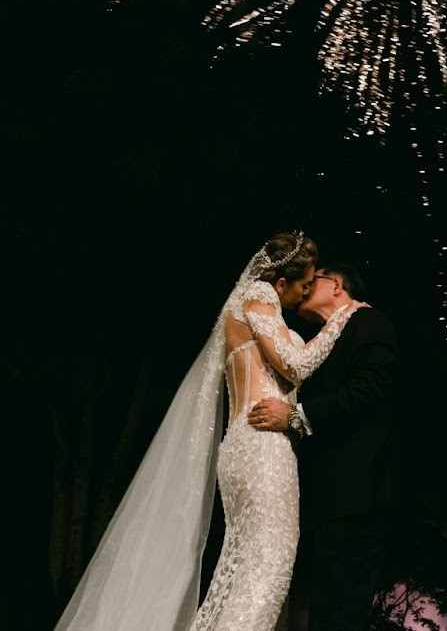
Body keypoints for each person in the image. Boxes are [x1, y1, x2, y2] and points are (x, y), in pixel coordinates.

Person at [53, 231, 362, 631]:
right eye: (303, 285)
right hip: (262, 445)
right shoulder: (260, 295)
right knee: (269, 568)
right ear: (280, 282)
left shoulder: (246, 309)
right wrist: (343, 316)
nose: (304, 295)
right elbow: (295, 365)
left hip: (240, 447)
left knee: (239, 574)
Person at [247, 259, 401, 631]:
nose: (302, 286)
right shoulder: (323, 341)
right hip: (324, 504)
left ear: (335, 284)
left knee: (339, 615)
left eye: (310, 280)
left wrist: (295, 416)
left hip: (355, 499)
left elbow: (370, 389)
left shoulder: (369, 323)